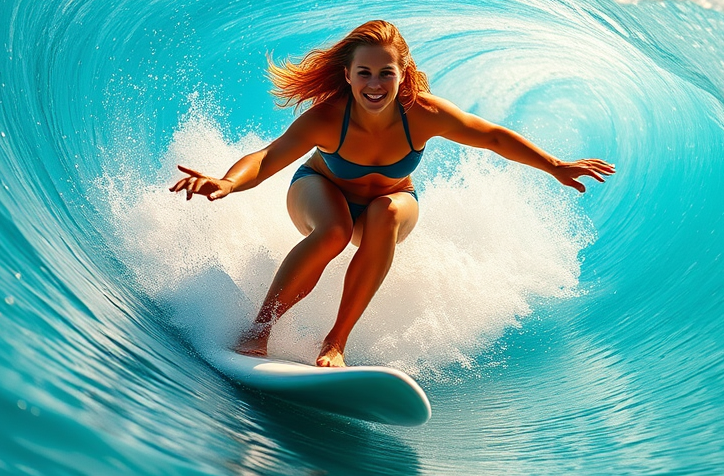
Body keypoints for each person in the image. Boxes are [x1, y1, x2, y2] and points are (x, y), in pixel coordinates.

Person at [170, 20, 614, 367]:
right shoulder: (329, 118)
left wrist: (554, 165)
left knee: (385, 211)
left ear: (404, 75)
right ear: (347, 75)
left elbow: (492, 137)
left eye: (386, 72)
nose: (375, 84)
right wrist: (227, 182)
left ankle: (335, 342)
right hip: (319, 190)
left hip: (390, 203)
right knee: (334, 232)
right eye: (364, 73)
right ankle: (260, 329)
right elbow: (269, 158)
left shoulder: (422, 114)